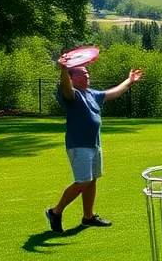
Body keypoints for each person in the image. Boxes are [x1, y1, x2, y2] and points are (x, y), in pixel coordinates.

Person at [45, 61, 143, 233]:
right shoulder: (71, 94)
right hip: (79, 145)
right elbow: (65, 86)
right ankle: (55, 212)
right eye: (82, 72)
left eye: (87, 72)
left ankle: (88, 217)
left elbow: (113, 93)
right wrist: (63, 70)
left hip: (94, 144)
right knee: (83, 181)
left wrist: (129, 81)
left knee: (92, 180)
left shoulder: (92, 94)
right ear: (72, 78)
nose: (87, 74)